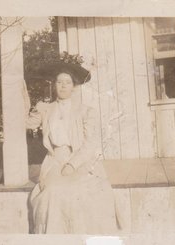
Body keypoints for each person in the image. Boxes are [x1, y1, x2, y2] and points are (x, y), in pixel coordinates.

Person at [23, 60, 119, 234]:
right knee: (53, 193)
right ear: (54, 86)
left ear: (74, 86)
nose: (63, 86)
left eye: (67, 82)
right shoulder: (46, 109)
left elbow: (90, 144)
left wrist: (72, 164)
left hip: (81, 161)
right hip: (54, 161)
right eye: (59, 82)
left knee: (81, 194)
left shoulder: (85, 111)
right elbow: (28, 124)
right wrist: (35, 108)